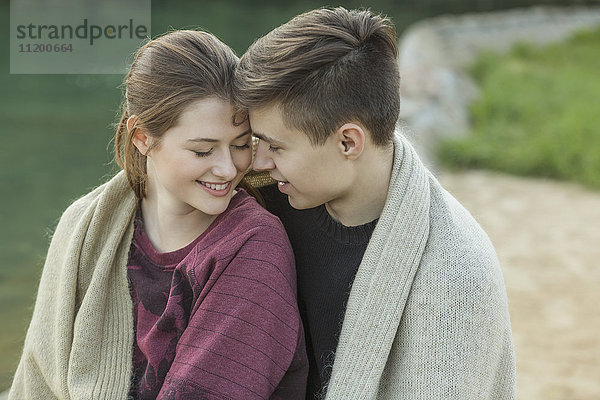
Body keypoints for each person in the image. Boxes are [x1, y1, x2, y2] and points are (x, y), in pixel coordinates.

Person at [235, 8, 516, 400]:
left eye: (275, 146)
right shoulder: (263, 197)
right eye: (254, 141)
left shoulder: (456, 279)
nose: (258, 161)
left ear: (348, 141)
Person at [9, 30, 307, 400]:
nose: (229, 169)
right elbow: (38, 378)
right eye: (202, 151)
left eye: (242, 145)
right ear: (142, 138)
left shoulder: (253, 245)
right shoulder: (85, 226)